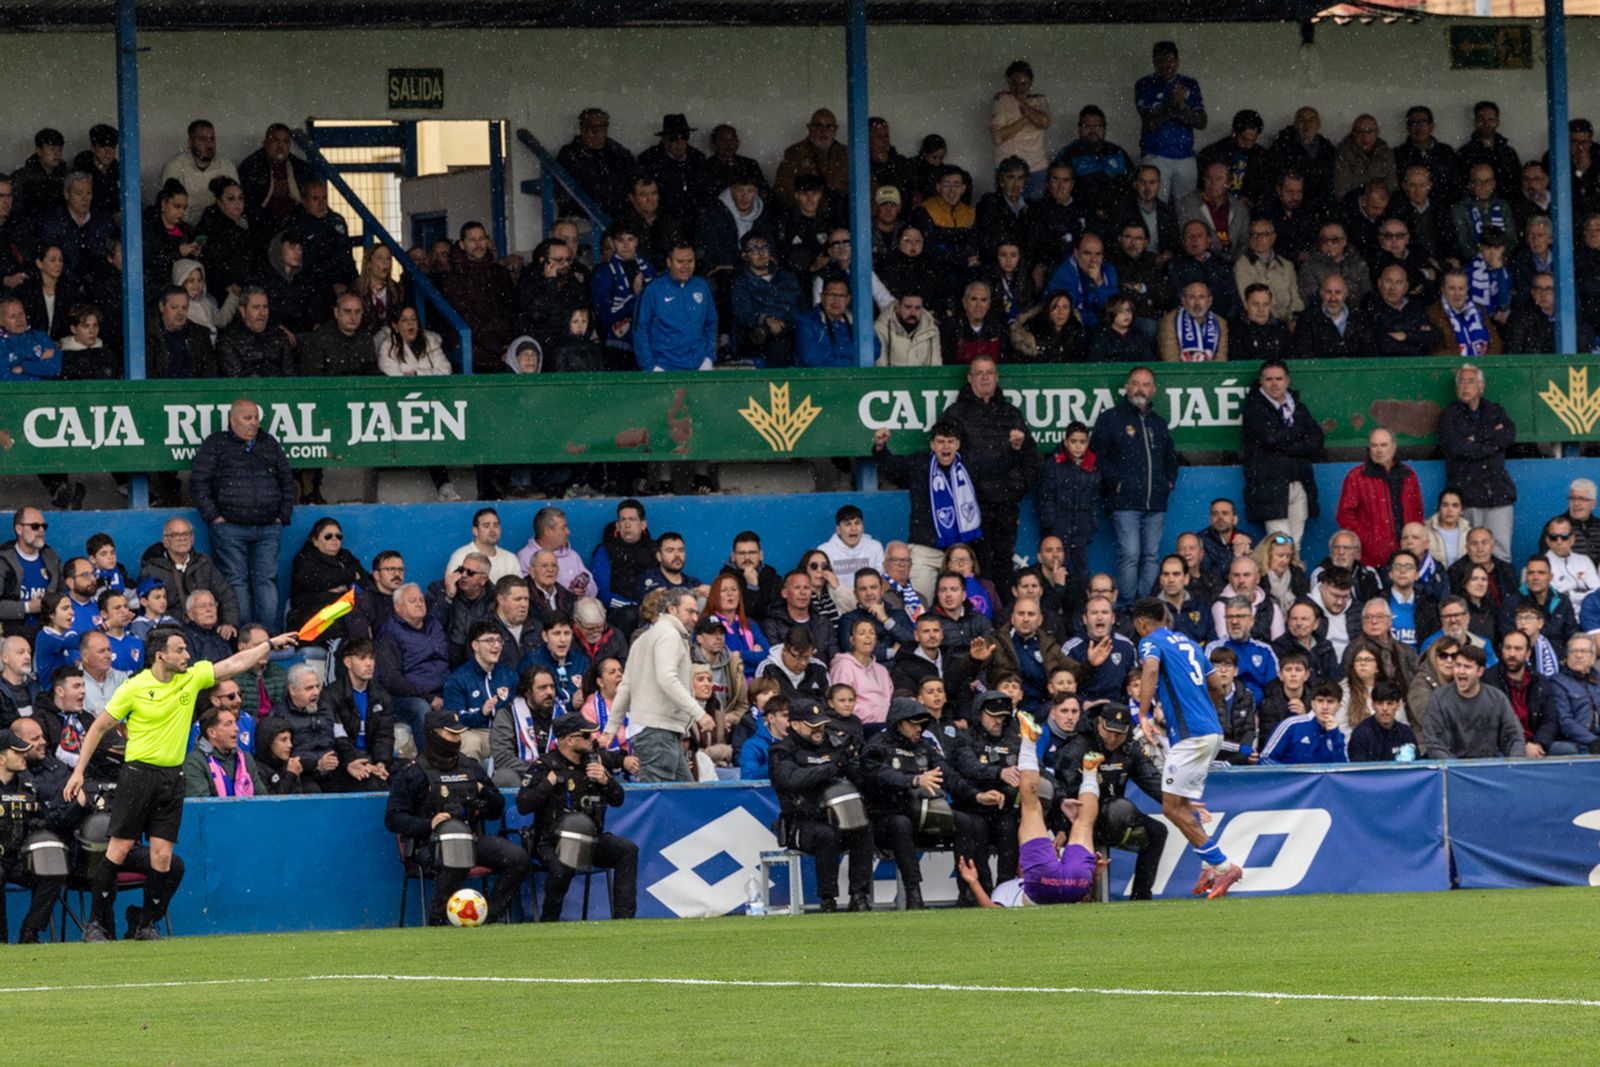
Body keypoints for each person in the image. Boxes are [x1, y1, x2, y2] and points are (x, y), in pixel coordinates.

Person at [63, 623, 297, 940]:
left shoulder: (192, 678)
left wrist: (268, 643)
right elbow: (99, 727)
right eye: (180, 650)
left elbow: (235, 663)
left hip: (172, 778)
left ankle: (145, 922)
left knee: (163, 857)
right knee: (117, 852)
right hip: (137, 775)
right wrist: (79, 771)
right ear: (161, 655)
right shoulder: (135, 687)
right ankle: (97, 924)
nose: (187, 655)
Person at [1130, 598, 1242, 897]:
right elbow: (1217, 687)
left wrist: (1142, 713)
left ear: (1142, 623)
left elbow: (1151, 670)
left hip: (1192, 736)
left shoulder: (1150, 642)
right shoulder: (1191, 644)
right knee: (1181, 806)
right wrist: (1206, 712)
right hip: (1210, 732)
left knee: (1170, 808)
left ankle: (1222, 864)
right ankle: (1209, 865)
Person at [385, 707, 530, 925]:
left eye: (458, 734)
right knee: (457, 856)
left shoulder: (470, 767)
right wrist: (429, 824)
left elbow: (496, 809)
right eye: (451, 734)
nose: (457, 739)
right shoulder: (413, 772)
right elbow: (393, 818)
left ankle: (488, 916)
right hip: (429, 845)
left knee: (518, 859)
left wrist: (484, 793)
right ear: (434, 735)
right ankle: (439, 917)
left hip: (471, 838)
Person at [515, 714, 637, 921]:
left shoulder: (594, 761)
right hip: (551, 841)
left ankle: (624, 920)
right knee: (562, 868)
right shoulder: (545, 765)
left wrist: (606, 781)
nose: (593, 740)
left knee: (627, 850)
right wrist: (547, 784)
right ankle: (549, 923)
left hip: (591, 838)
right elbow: (523, 806)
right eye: (586, 736)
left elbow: (618, 800)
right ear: (569, 740)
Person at [191, 398, 295, 628]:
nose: (253, 423)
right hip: (230, 526)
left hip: (268, 526)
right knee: (236, 582)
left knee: (265, 581)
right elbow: (200, 482)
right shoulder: (217, 443)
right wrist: (214, 517)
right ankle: (244, 637)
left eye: (256, 418)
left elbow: (287, 481)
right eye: (247, 418)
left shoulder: (268, 443)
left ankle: (266, 637)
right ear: (232, 420)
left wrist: (282, 515)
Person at [941, 357, 1040, 590]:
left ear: (996, 377)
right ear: (969, 378)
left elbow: (1030, 454)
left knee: (1004, 561)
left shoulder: (1011, 412)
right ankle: (981, 614)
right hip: (972, 505)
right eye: (979, 373)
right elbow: (946, 455)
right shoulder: (956, 413)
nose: (985, 377)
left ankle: (1002, 616)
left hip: (1006, 502)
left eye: (989, 372)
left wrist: (1019, 485)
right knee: (977, 563)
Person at [1091, 367, 1179, 607]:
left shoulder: (1158, 423)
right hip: (1124, 503)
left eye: (1146, 384)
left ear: (1154, 390)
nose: (1141, 389)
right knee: (1130, 554)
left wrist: (1168, 483)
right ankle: (1127, 606)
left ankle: (1144, 605)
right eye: (1136, 383)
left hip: (1156, 503)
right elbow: (1097, 455)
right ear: (1127, 387)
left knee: (1150, 556)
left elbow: (1171, 458)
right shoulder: (1112, 418)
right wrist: (1117, 483)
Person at [608, 589, 708, 781]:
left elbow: (626, 687)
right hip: (657, 732)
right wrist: (699, 713)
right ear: (672, 609)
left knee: (684, 798)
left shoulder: (644, 637)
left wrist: (610, 729)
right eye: (690, 611)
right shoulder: (670, 635)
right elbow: (667, 678)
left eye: (697, 613)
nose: (695, 618)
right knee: (659, 801)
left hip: (656, 732)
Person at [947, 690, 1024, 904]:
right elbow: (968, 767)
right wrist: (999, 773)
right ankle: (979, 890)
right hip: (972, 806)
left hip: (1004, 809)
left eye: (1003, 716)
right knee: (975, 829)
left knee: (1010, 827)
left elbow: (1036, 770)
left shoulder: (1015, 739)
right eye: (993, 716)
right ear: (979, 714)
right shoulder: (965, 738)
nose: (999, 721)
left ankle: (1006, 890)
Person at [1439, 363, 1516, 563]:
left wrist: (1476, 438)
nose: (1465, 387)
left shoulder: (1495, 409)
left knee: (1500, 554)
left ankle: (1500, 593)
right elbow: (1459, 448)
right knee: (1470, 554)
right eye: (1462, 382)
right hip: (1467, 495)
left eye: (1470, 382)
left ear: (1481, 387)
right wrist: (1491, 443)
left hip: (1498, 493)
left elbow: (1507, 436)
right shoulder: (1449, 415)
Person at [1241, 360, 1323, 548]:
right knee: (1280, 545)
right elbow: (1272, 439)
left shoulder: (1298, 408)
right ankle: (1277, 577)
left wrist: (1287, 445)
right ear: (1261, 382)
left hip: (1299, 483)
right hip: (1269, 486)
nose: (1274, 383)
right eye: (1269, 379)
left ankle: (1293, 577)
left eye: (1278, 378)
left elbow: (1317, 441)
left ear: (1287, 381)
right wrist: (1298, 431)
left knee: (1296, 544)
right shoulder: (1254, 409)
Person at [1335, 428, 1424, 571]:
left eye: (1383, 445)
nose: (1378, 450)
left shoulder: (1408, 475)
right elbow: (1345, 516)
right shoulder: (1356, 477)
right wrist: (1368, 541)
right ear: (1368, 448)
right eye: (1374, 445)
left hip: (1406, 553)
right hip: (1371, 558)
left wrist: (1412, 540)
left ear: (1394, 447)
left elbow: (1417, 512)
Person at [1134, 40, 1207, 203]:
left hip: (1185, 156)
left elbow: (1201, 122)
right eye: (1160, 60)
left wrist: (1180, 108)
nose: (1165, 65)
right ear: (1153, 62)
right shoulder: (1144, 84)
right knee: (1156, 205)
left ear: (1177, 61)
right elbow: (1150, 123)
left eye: (1170, 60)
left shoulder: (1189, 84)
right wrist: (1173, 104)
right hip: (1155, 155)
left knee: (1187, 208)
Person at [1423, 645, 1526, 758]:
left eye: (1467, 667)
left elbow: (1515, 736)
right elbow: (1433, 742)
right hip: (1451, 770)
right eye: (1458, 665)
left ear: (1480, 671)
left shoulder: (1497, 698)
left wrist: (1513, 763)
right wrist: (1454, 768)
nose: (1461, 671)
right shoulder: (1439, 698)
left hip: (1487, 768)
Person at [1485, 629, 1559, 758]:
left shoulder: (1540, 681)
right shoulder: (1488, 680)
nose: (1512, 654)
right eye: (1508, 648)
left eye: (1518, 649)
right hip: (1503, 745)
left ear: (1528, 653)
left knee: (1566, 750)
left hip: (1536, 743)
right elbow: (1491, 724)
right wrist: (1522, 746)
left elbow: (1550, 720)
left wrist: (1539, 743)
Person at [181, 702, 267, 798]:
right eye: (228, 724)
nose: (237, 729)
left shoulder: (246, 758)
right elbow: (202, 808)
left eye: (235, 723)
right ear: (212, 733)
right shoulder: (194, 762)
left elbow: (262, 798)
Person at [1258, 680, 1348, 765]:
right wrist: (1292, 777)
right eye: (1320, 701)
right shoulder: (1292, 725)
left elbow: (1341, 772)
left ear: (1339, 707)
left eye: (1330, 702)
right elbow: (1264, 759)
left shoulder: (1338, 735)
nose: (1325, 707)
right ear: (1313, 704)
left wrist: (1335, 736)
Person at [1428, 271, 1503, 356]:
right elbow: (1436, 353)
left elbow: (1496, 345)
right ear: (1443, 289)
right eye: (1452, 288)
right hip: (1451, 367)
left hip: (1482, 367)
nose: (1457, 294)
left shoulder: (1480, 310)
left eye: (1461, 288)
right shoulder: (1433, 313)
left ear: (1467, 289)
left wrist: (1482, 362)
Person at [1549, 634, 1600, 755]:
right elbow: (1565, 722)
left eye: (1584, 651)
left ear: (1593, 657)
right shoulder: (1557, 682)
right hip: (1577, 743)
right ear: (1567, 656)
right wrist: (1593, 740)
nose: (1578, 655)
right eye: (1573, 651)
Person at [1158, 280, 1227, 362]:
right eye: (1192, 297)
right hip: (1181, 373)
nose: (1197, 302)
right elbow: (1171, 360)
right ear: (1183, 300)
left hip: (1212, 373)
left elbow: (1221, 360)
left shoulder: (1220, 322)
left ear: (1210, 300)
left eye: (1201, 297)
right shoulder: (1171, 320)